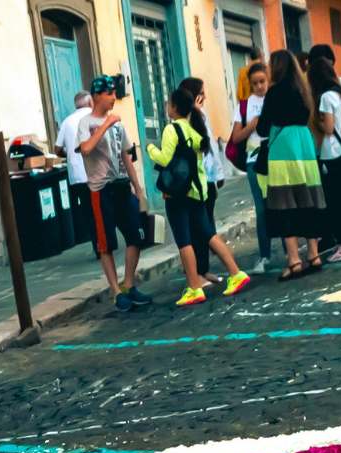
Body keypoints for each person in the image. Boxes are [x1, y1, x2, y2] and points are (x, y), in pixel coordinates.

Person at [148, 81, 253, 307]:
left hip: (177, 194)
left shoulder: (171, 129)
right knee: (208, 234)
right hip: (197, 191)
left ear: (174, 107)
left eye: (168, 103)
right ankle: (236, 273)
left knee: (184, 240)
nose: (167, 107)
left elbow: (165, 158)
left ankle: (194, 286)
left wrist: (150, 149)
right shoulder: (193, 129)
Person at [76, 75, 154, 312]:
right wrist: (106, 125)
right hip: (100, 190)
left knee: (137, 235)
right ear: (97, 96)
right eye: (109, 93)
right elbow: (86, 149)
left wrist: (138, 188)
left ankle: (128, 284)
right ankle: (115, 291)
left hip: (122, 186)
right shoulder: (86, 123)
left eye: (114, 93)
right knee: (106, 244)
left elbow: (126, 156)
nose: (113, 98)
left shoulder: (118, 124)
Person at [258, 50, 326, 280]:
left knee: (284, 203)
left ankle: (294, 260)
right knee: (308, 199)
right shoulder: (303, 90)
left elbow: (263, 127)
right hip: (304, 145)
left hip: (283, 148)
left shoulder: (274, 92)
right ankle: (314, 255)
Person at [309, 47, 341, 262]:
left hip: (330, 153)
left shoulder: (325, 98)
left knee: (335, 201)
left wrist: (316, 121)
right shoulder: (340, 93)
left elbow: (328, 127)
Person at [235, 61, 275, 272]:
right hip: (254, 160)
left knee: (282, 203)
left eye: (262, 81)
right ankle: (265, 255)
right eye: (255, 83)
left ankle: (291, 252)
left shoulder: (275, 99)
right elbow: (236, 137)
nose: (260, 86)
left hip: (276, 157)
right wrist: (252, 125)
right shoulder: (244, 106)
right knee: (262, 208)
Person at [56, 88, 94, 227]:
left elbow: (57, 149)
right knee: (101, 212)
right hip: (97, 174)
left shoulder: (66, 122)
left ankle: (92, 238)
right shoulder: (95, 117)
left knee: (86, 213)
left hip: (77, 176)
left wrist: (69, 154)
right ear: (90, 102)